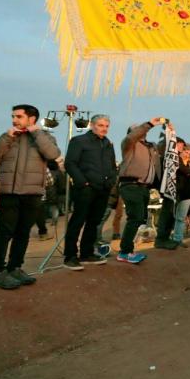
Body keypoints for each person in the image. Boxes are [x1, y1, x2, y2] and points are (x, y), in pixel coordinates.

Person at [0, 104, 61, 289]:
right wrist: (6, 138)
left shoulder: (44, 137)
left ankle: (15, 268)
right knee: (4, 233)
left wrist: (37, 133)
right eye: (13, 116)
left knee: (23, 233)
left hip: (32, 193)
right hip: (8, 193)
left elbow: (53, 154)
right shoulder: (7, 137)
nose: (14, 120)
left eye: (19, 116)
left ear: (32, 119)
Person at [63, 114, 116, 270]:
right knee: (77, 222)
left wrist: (111, 182)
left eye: (106, 126)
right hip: (85, 189)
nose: (104, 128)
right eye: (100, 125)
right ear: (92, 125)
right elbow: (70, 163)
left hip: (103, 189)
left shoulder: (108, 144)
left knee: (94, 222)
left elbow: (112, 166)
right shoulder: (79, 141)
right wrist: (83, 182)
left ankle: (86, 254)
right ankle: (70, 256)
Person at [115, 117, 169, 266]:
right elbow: (133, 136)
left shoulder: (150, 147)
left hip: (144, 187)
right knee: (135, 217)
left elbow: (162, 150)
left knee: (140, 218)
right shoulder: (129, 144)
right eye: (138, 129)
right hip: (130, 184)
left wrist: (168, 132)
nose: (142, 131)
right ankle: (124, 252)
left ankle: (128, 250)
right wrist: (150, 124)